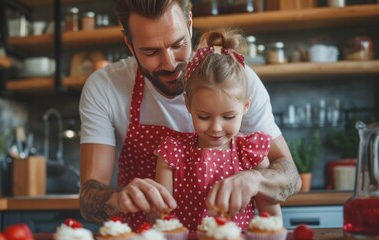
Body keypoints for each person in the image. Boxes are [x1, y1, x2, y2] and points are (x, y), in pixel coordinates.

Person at [79, 0, 300, 229]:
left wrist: (257, 180)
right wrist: (116, 199)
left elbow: (290, 175)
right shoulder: (105, 87)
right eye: (151, 51)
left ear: (190, 24)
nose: (169, 62)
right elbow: (88, 199)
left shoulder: (236, 80)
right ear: (128, 42)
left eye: (178, 44)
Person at [153, 29, 282, 231]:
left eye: (229, 117)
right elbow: (161, 216)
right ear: (188, 105)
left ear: (246, 106)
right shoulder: (173, 152)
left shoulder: (250, 152)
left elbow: (270, 217)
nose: (216, 128)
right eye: (203, 116)